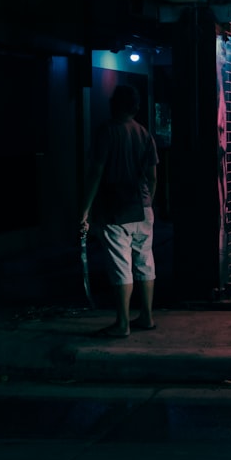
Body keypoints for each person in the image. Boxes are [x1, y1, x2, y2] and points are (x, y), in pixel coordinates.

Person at [80, 85, 159, 338]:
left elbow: (96, 172)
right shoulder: (144, 133)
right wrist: (148, 202)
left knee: (120, 265)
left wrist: (85, 210)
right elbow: (153, 176)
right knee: (145, 261)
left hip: (116, 208)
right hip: (143, 207)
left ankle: (122, 323)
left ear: (115, 104)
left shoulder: (107, 131)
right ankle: (146, 317)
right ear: (135, 107)